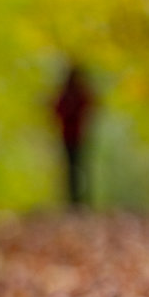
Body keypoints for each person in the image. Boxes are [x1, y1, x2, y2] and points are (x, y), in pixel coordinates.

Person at [54, 64, 94, 204]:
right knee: (72, 167)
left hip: (78, 136)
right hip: (69, 136)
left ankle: (79, 199)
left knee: (79, 166)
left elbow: (90, 106)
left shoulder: (79, 93)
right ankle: (73, 199)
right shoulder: (67, 94)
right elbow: (57, 110)